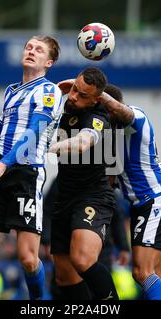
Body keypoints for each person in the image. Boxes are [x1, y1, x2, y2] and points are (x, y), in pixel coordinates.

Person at [0, 35, 63, 300]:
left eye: (38, 50)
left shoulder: (50, 91)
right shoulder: (10, 90)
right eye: (28, 47)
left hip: (25, 173)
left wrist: (3, 165)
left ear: (49, 62)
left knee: (28, 259)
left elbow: (35, 130)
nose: (31, 51)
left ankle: (38, 302)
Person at [94, 83, 161, 300]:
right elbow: (109, 182)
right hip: (143, 206)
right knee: (152, 276)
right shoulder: (109, 139)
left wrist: (94, 91)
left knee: (142, 272)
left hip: (157, 201)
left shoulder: (137, 118)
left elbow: (121, 110)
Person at [48, 67, 119, 300]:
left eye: (82, 95)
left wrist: (50, 147)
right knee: (64, 277)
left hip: (92, 196)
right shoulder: (63, 105)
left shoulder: (98, 117)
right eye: (75, 90)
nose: (75, 97)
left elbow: (82, 142)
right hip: (64, 198)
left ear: (96, 100)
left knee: (82, 259)